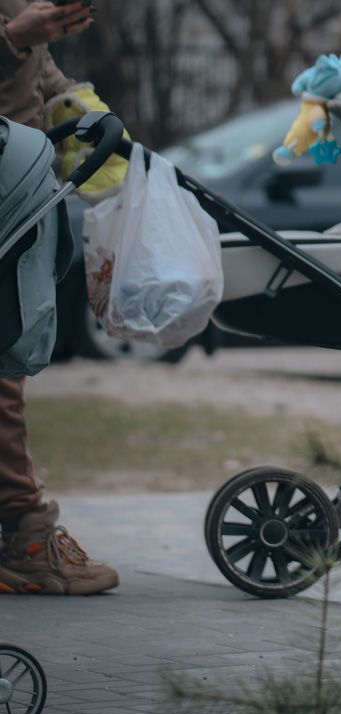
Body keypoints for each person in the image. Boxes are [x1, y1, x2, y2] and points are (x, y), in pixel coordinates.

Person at [0, 0, 118, 595]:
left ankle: (22, 531)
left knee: (9, 359)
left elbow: (41, 81)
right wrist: (14, 39)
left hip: (14, 195)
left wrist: (97, 121)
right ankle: (24, 537)